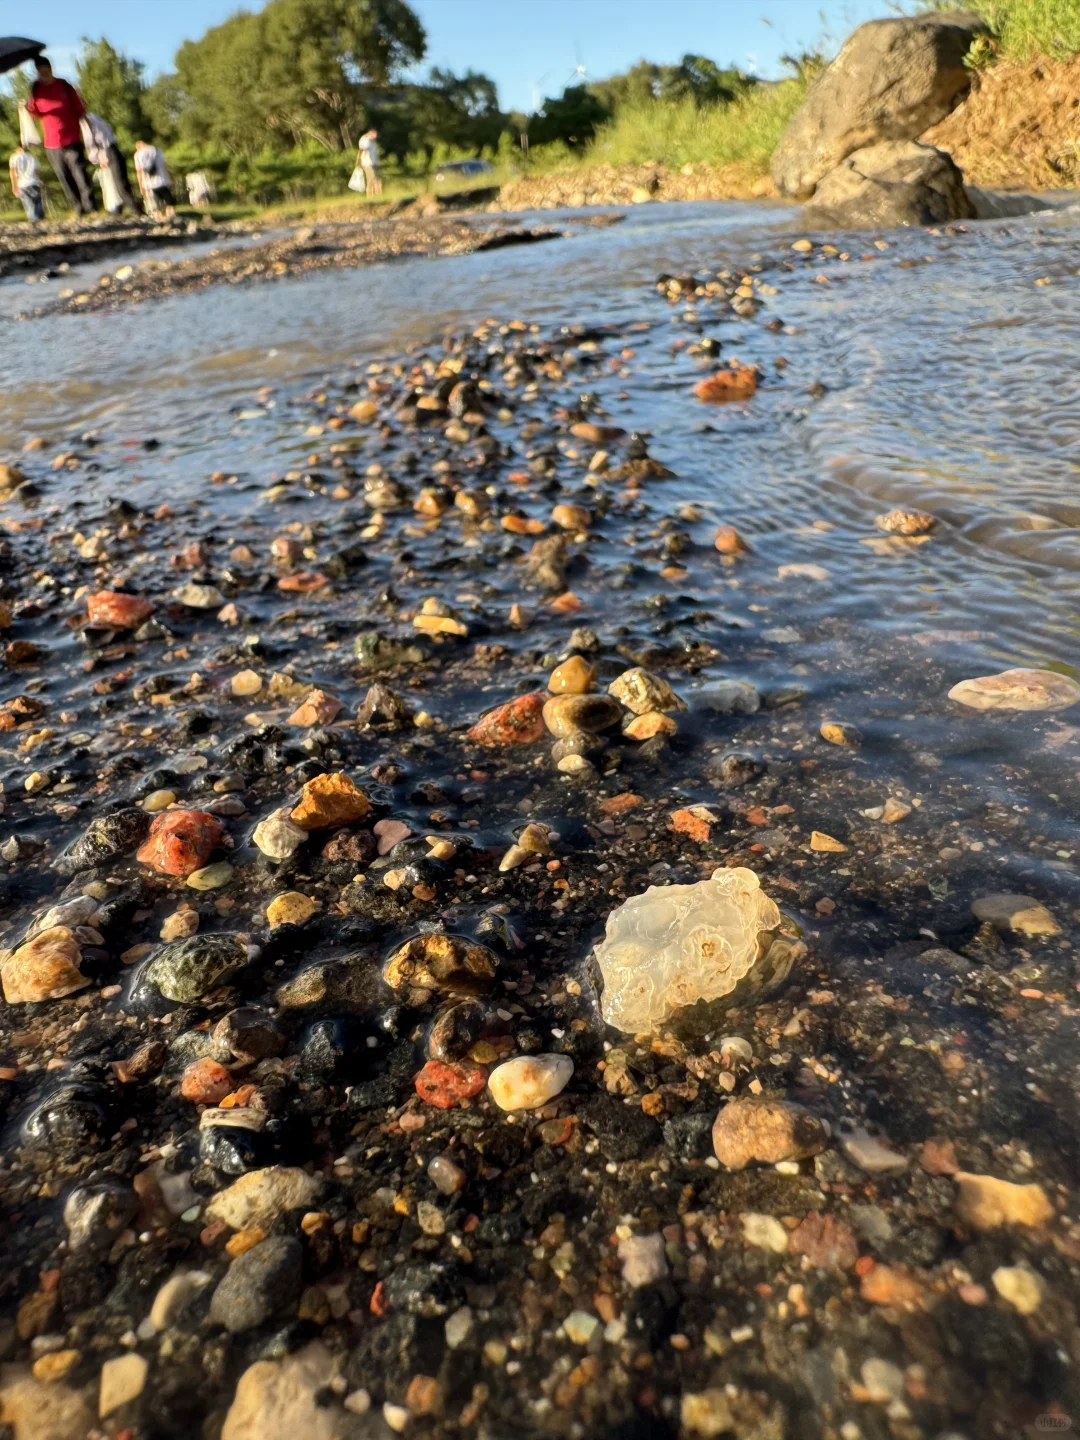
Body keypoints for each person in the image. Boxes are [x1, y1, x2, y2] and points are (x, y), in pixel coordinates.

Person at [24, 55, 95, 217]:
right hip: (52, 142)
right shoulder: (36, 89)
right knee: (64, 176)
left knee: (80, 173)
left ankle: (90, 207)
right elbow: (36, 114)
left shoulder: (64, 85)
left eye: (46, 71)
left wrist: (88, 132)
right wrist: (28, 108)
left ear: (51, 69)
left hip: (71, 138)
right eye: (41, 72)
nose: (44, 75)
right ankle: (79, 207)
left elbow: (80, 109)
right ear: (37, 72)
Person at [80, 112, 143, 216]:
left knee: (120, 184)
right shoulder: (93, 118)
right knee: (118, 183)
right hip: (111, 149)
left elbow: (92, 140)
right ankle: (126, 209)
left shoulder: (86, 121)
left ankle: (135, 210)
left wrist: (98, 156)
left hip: (108, 150)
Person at [134, 140, 175, 220]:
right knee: (169, 203)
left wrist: (141, 186)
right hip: (163, 181)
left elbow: (139, 172)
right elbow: (165, 165)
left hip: (149, 184)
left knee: (155, 208)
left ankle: (159, 219)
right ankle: (170, 217)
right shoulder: (157, 150)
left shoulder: (138, 155)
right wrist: (170, 178)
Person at [8, 143, 45, 225]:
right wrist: (40, 181)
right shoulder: (32, 157)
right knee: (37, 201)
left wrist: (14, 186)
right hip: (34, 183)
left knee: (27, 203)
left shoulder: (14, 158)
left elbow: (13, 173)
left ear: (17, 148)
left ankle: (33, 220)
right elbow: (38, 171)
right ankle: (40, 218)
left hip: (22, 184)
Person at [358, 129, 382, 196]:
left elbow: (375, 153)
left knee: (377, 178)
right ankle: (369, 195)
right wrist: (368, 137)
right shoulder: (365, 139)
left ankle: (378, 194)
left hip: (374, 162)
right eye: (374, 135)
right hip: (367, 163)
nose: (375, 137)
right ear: (370, 134)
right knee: (371, 178)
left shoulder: (373, 142)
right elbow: (363, 147)